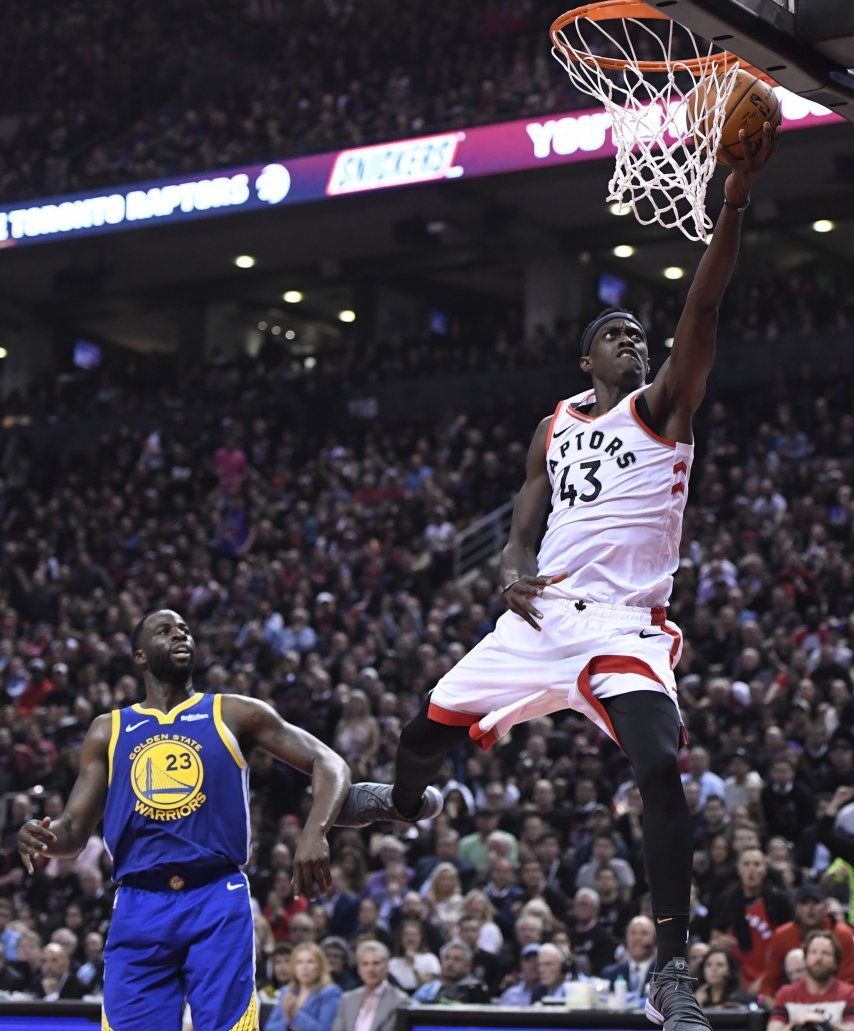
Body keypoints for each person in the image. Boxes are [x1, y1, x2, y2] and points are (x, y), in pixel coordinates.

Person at [340, 122, 780, 1031]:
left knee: (662, 765)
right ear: (586, 360)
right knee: (422, 732)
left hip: (622, 624)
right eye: (615, 335)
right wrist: (509, 561)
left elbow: (703, 307)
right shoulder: (556, 424)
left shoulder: (664, 406)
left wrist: (733, 199)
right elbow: (528, 499)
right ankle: (410, 800)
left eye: (637, 334)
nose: (633, 342)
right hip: (537, 622)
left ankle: (669, 970)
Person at [14, 609, 382, 1031]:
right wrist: (44, 836)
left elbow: (330, 763)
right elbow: (74, 831)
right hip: (138, 901)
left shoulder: (232, 713)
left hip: (215, 896)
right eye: (165, 631)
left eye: (185, 630)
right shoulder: (108, 730)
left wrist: (315, 833)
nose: (179, 635)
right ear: (139, 655)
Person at [712, 847, 793, 993]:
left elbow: (790, 939)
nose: (751, 869)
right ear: (738, 869)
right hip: (737, 977)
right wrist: (719, 943)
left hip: (774, 974)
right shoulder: (726, 899)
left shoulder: (779, 900)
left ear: (765, 869)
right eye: (746, 864)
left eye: (757, 864)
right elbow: (716, 935)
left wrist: (766, 978)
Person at [761, 886, 854, 998]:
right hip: (792, 1002)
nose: (810, 908)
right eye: (804, 903)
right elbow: (769, 985)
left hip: (836, 1001)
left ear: (826, 907)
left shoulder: (843, 934)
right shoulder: (782, 936)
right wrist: (779, 1009)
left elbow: (849, 980)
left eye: (816, 902)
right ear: (796, 908)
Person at [767, 931, 854, 1031]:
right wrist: (795, 1025)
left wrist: (825, 1025)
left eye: (826, 953)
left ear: (836, 962)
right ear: (805, 959)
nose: (819, 958)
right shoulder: (786, 994)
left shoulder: (849, 994)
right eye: (813, 952)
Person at [331, 941, 409, 1031]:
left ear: (386, 967)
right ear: (359, 969)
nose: (370, 969)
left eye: (376, 963)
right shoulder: (347, 999)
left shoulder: (400, 1001)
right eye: (365, 964)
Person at [265, 942, 343, 1031]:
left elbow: (324, 1029)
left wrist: (294, 1014)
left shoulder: (330, 993)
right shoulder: (287, 992)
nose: (304, 967)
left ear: (320, 966)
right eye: (299, 962)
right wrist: (287, 1019)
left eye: (310, 962)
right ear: (294, 967)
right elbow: (269, 1027)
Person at [602, 916, 658, 999]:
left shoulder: (663, 974)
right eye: (633, 933)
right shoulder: (611, 974)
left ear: (654, 939)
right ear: (626, 938)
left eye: (644, 933)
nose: (637, 938)